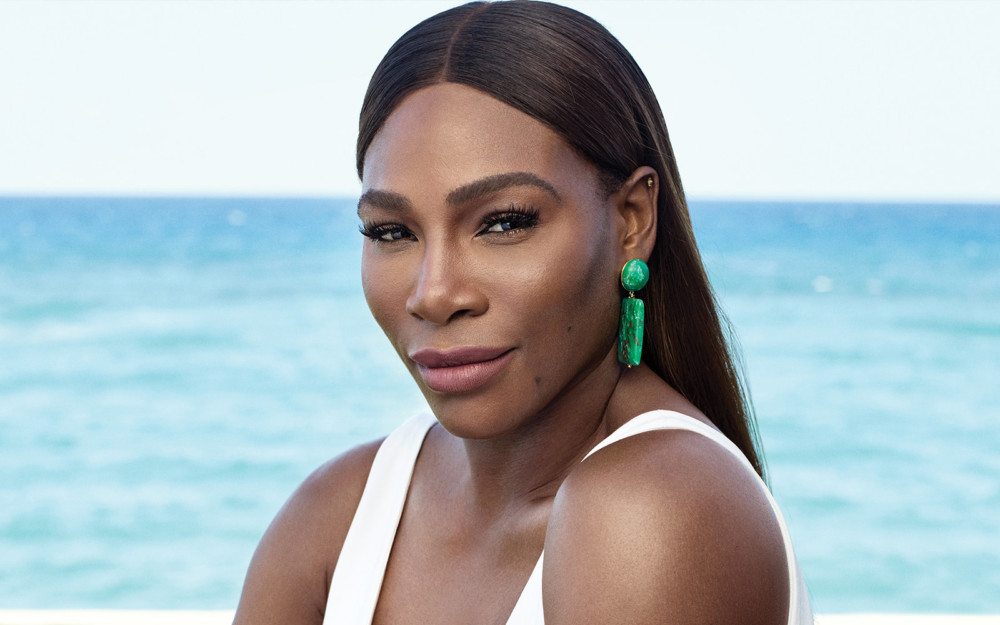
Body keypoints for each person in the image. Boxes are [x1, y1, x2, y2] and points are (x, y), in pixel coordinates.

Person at [234, 1, 813, 623]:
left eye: (505, 222)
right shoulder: (340, 511)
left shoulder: (655, 509)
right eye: (391, 232)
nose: (434, 294)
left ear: (632, 221)